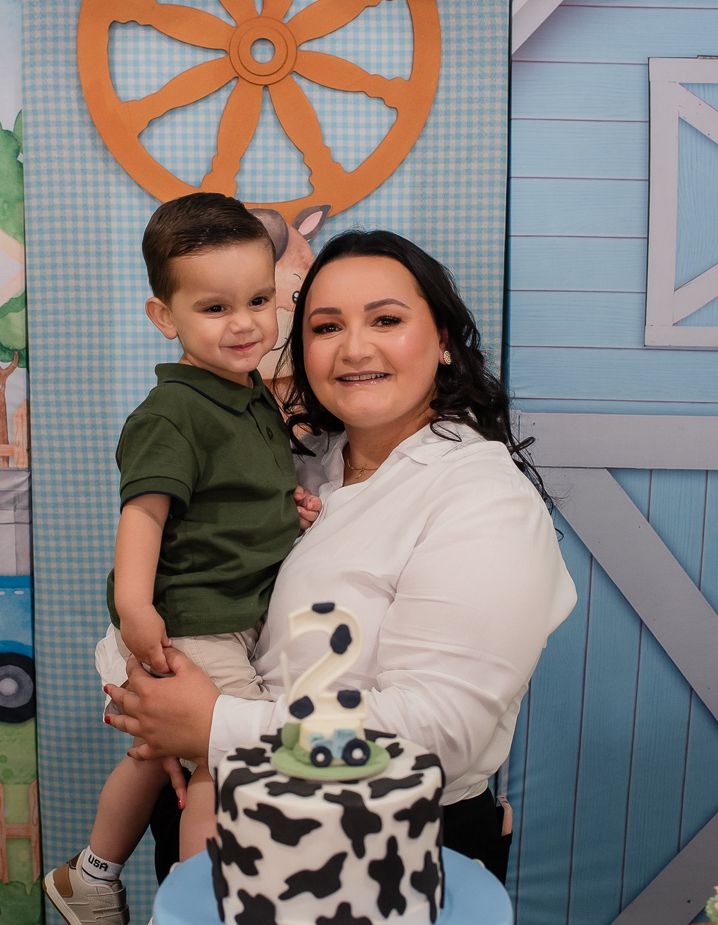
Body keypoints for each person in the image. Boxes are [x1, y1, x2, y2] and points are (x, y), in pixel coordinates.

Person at [104, 229, 578, 884]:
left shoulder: (482, 499)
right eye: (326, 327)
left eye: (386, 320)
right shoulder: (292, 467)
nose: (355, 348)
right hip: (211, 824)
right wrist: (157, 707)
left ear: (443, 339)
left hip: (379, 856)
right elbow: (171, 593)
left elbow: (442, 732)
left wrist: (211, 727)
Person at [43, 193, 320, 925]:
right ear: (164, 317)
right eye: (215, 307)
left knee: (152, 754)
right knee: (228, 761)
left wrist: (289, 510)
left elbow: (234, 499)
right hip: (192, 617)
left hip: (233, 615)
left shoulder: (250, 397)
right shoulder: (173, 411)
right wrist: (135, 607)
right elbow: (146, 515)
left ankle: (93, 874)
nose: (246, 323)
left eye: (259, 300)